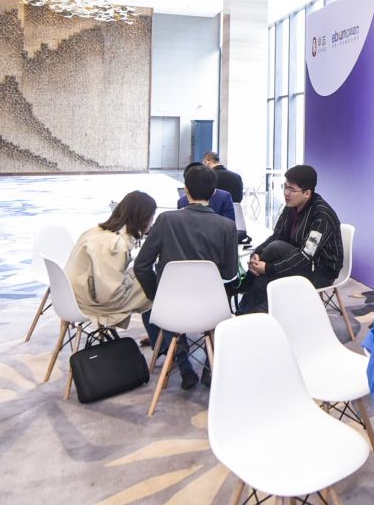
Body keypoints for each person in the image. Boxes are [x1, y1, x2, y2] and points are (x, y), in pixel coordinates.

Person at [134, 165, 240, 389]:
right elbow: (230, 274)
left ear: (186, 190)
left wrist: (157, 296)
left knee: (171, 313)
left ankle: (184, 366)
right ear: (213, 192)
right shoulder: (227, 226)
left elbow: (141, 265)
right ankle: (210, 369)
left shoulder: (165, 220)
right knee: (218, 308)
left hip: (171, 307)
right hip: (211, 309)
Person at [238, 164, 343, 314]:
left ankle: (250, 314)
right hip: (297, 256)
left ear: (307, 193)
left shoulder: (321, 216)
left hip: (321, 270)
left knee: (269, 278)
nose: (286, 193)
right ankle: (247, 312)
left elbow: (306, 256)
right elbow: (277, 235)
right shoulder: (291, 206)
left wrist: (268, 268)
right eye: (285, 187)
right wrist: (258, 253)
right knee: (273, 251)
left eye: (291, 190)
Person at [64, 191, 157, 329]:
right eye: (152, 217)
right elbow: (110, 295)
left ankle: (160, 339)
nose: (152, 222)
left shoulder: (96, 231)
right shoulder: (116, 245)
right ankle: (164, 340)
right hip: (91, 303)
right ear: (143, 218)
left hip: (72, 296)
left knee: (142, 278)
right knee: (156, 288)